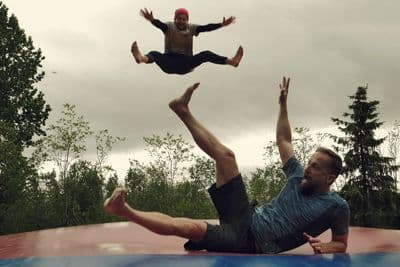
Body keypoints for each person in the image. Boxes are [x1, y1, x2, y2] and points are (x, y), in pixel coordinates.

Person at [104, 77, 350, 254]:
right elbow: (284, 140)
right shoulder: (298, 175)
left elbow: (341, 242)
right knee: (227, 157)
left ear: (330, 177)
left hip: (248, 242)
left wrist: (327, 246)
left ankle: (124, 210)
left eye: (315, 166)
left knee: (188, 227)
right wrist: (283, 104)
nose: (307, 167)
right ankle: (181, 110)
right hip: (247, 215)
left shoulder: (336, 207)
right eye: (309, 162)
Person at [131, 8, 243, 75]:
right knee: (154, 54)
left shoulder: (192, 28)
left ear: (187, 20)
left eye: (184, 19)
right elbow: (160, 25)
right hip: (169, 61)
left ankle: (231, 61)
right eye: (179, 19)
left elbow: (206, 28)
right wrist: (152, 20)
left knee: (206, 54)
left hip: (186, 63)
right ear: (175, 19)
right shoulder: (169, 27)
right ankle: (141, 58)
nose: (181, 21)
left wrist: (221, 25)